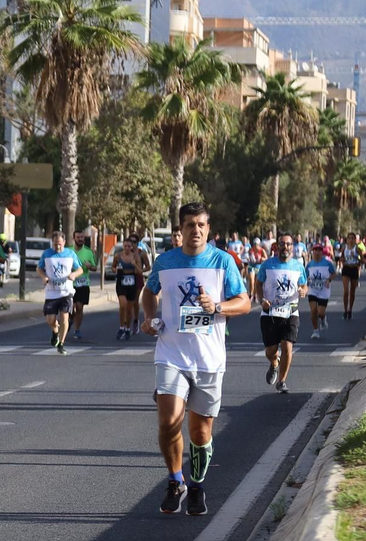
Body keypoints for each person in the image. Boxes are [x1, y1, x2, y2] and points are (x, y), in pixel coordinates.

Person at [140, 203, 251, 517]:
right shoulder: (166, 262)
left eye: (201, 224)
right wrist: (149, 318)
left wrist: (216, 307)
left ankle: (197, 485)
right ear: (181, 229)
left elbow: (243, 303)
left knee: (200, 434)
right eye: (190, 225)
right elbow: (149, 293)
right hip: (171, 354)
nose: (196, 230)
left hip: (209, 359)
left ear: (208, 228)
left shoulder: (222, 262)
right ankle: (176, 481)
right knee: (168, 421)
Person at [256, 233, 308, 394]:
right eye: (282, 244)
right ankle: (274, 363)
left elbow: (304, 285)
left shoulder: (298, 266)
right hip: (270, 312)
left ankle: (282, 381)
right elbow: (258, 284)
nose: (285, 247)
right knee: (271, 351)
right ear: (277, 246)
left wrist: (303, 291)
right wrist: (261, 300)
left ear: (292, 247)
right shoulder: (267, 265)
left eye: (288, 244)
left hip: (291, 311)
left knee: (287, 347)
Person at [37, 231, 81, 354]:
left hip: (66, 292)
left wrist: (74, 274)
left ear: (64, 243)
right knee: (50, 320)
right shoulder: (47, 254)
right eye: (55, 244)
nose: (57, 247)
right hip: (52, 292)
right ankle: (55, 331)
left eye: (60, 244)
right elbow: (39, 268)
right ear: (53, 242)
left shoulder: (70, 254)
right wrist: (44, 277)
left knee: (64, 317)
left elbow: (80, 269)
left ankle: (61, 343)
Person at [113, 236, 149, 341]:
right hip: (121, 281)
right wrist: (116, 269)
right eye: (126, 245)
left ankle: (128, 328)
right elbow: (113, 267)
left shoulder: (136, 256)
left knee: (129, 308)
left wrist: (135, 265)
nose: (128, 247)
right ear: (123, 246)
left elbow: (140, 271)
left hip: (132, 281)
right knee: (122, 305)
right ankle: (121, 327)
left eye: (130, 245)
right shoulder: (118, 256)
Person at [70, 230, 98, 340]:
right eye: (78, 237)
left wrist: (90, 266)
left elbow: (95, 268)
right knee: (70, 309)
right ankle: (71, 318)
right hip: (70, 283)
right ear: (74, 238)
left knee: (80, 307)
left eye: (82, 237)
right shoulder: (68, 251)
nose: (80, 239)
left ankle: (77, 330)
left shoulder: (88, 252)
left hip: (83, 284)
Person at [304, 241, 335, 341]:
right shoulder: (309, 265)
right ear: (313, 252)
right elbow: (304, 276)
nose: (317, 252)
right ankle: (315, 330)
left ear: (322, 252)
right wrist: (306, 282)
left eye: (319, 250)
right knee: (313, 310)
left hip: (324, 290)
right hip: (313, 289)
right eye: (315, 250)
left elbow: (334, 273)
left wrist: (329, 280)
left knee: (320, 313)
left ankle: (322, 319)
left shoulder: (327, 263)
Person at [338, 231, 365, 320]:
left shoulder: (357, 249)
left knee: (352, 292)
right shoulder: (344, 248)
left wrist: (356, 257)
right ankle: (345, 310)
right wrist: (342, 260)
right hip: (346, 269)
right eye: (349, 238)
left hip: (354, 269)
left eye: (353, 238)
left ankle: (350, 310)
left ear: (355, 240)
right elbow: (341, 258)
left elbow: (363, 261)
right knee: (346, 291)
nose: (351, 240)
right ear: (347, 239)